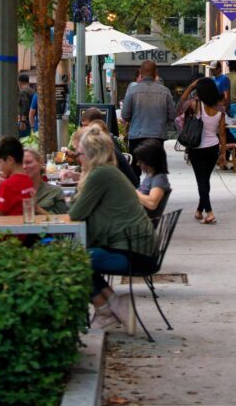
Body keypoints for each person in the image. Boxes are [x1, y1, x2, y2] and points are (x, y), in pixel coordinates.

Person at [69, 125, 157, 332]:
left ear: (90, 154)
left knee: (72, 261)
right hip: (136, 247)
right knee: (78, 257)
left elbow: (75, 213)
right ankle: (113, 304)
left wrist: (82, 175)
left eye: (79, 154)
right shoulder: (107, 172)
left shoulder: (100, 175)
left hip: (132, 252)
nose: (77, 158)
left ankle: (105, 310)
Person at [179, 76, 227, 225]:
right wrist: (223, 152)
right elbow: (223, 133)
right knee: (204, 180)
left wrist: (192, 86)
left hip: (197, 148)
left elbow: (181, 102)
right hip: (213, 148)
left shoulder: (196, 105)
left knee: (201, 181)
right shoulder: (220, 110)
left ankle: (210, 212)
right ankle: (200, 210)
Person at [121, 60, 175, 175]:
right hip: (157, 137)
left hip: (136, 136)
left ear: (140, 72)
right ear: (155, 73)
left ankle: (137, 192)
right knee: (156, 171)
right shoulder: (164, 91)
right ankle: (154, 192)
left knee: (135, 172)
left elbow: (125, 115)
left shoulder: (132, 90)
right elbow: (172, 115)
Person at [81, 107, 138, 186]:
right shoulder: (106, 139)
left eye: (85, 126)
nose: (83, 129)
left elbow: (98, 177)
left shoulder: (104, 145)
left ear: (95, 125)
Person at [133, 139, 171, 221]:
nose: (138, 164)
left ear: (149, 161)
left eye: (140, 161)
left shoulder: (159, 179)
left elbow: (152, 203)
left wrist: (132, 192)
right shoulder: (150, 175)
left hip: (138, 222)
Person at [22, 147, 68, 214]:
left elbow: (62, 220)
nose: (24, 167)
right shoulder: (13, 191)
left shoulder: (55, 192)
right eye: (21, 164)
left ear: (40, 163)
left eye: (28, 162)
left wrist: (37, 208)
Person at [18, 73, 34, 138]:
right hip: (32, 119)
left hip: (26, 120)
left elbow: (25, 106)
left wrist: (23, 121)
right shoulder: (32, 90)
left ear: (19, 82)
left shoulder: (23, 92)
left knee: (23, 138)